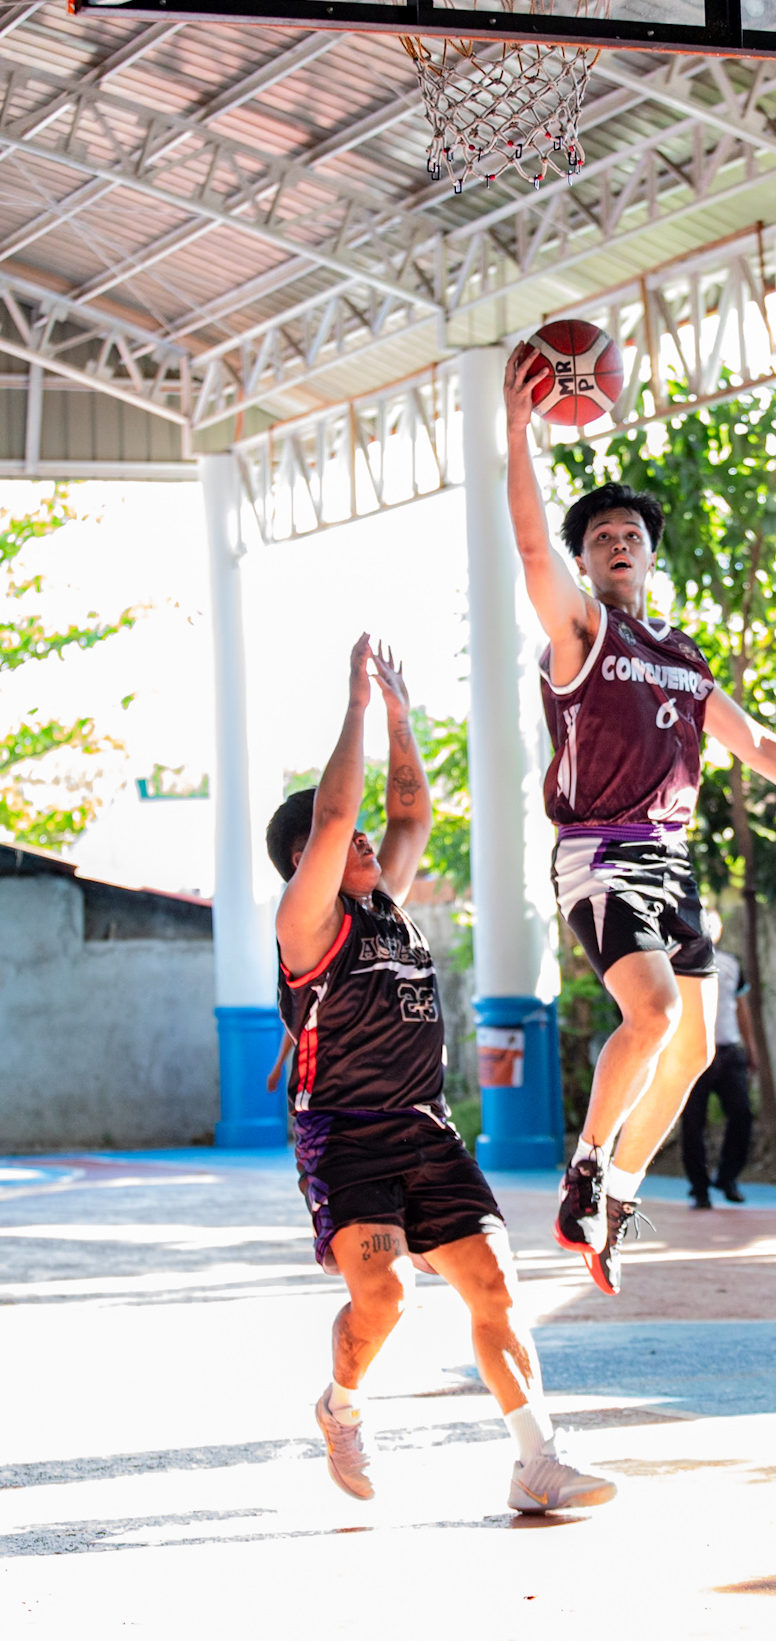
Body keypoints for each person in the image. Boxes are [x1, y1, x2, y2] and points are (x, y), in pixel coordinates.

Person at [502, 345, 776, 1296]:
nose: (618, 543)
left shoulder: (682, 656)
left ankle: (615, 1193)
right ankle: (581, 1174)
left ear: (651, 556)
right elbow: (530, 547)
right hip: (601, 854)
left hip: (671, 861)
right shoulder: (581, 632)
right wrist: (515, 428)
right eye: (601, 536)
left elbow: (761, 744)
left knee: (692, 1050)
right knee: (651, 1014)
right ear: (583, 563)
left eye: (632, 536)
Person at [267, 633, 615, 1513]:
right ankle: (341, 1407)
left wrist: (399, 718)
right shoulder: (307, 923)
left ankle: (537, 1461)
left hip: (426, 1126)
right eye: (342, 841)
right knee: (383, 1300)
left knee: (494, 1283)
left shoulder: (386, 903)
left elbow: (411, 812)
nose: (368, 845)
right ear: (311, 855)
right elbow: (341, 814)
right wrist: (352, 706)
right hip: (346, 1134)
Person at [679, 909, 754, 1209]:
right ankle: (699, 1188)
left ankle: (728, 1176)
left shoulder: (732, 964)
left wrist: (752, 1049)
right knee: (693, 1123)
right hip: (691, 1053)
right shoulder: (679, 962)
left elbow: (742, 1008)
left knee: (742, 1114)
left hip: (727, 1050)